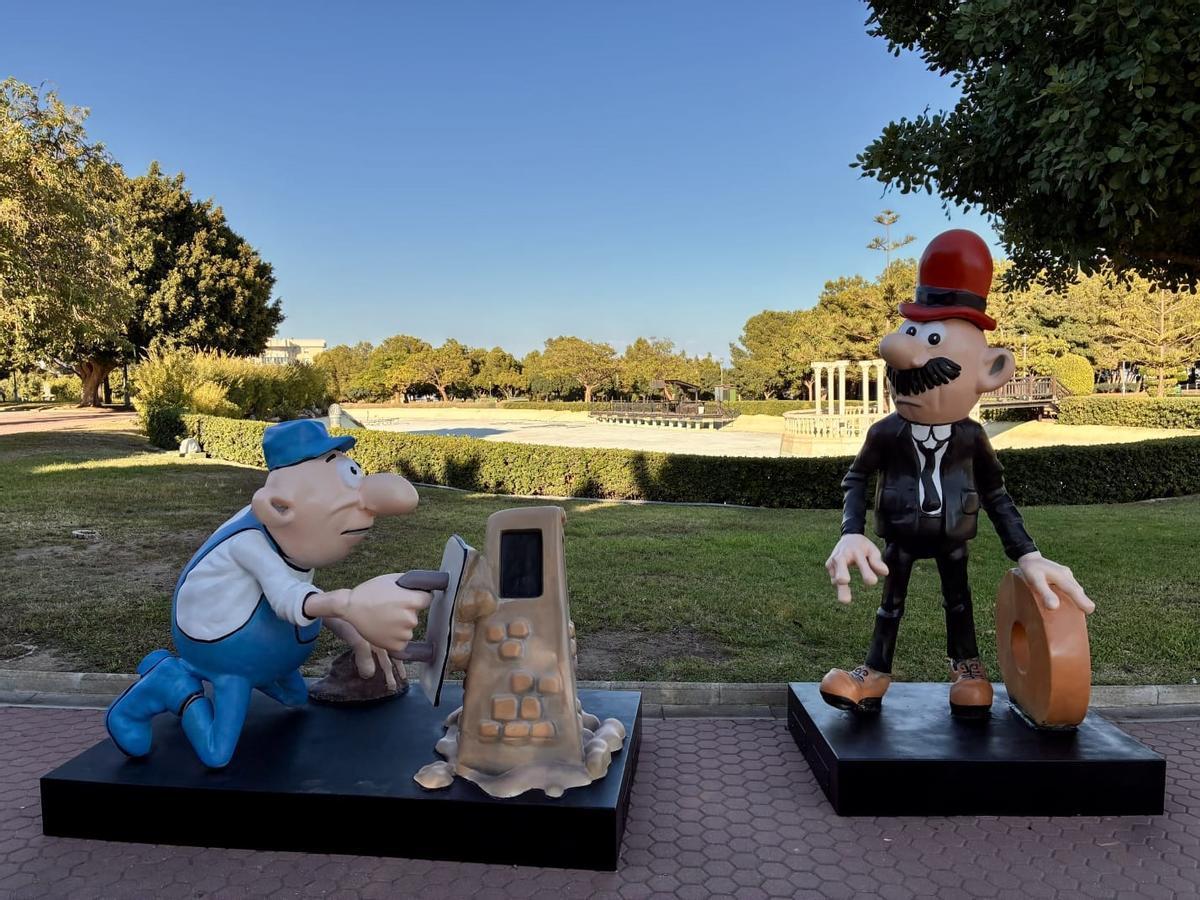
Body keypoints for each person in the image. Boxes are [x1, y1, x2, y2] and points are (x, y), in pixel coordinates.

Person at [821, 230, 1095, 718]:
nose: (903, 354)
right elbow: (857, 479)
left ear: (991, 371)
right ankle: (875, 673)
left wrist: (1027, 553)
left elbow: (995, 494)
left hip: (953, 537)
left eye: (930, 339)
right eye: (910, 334)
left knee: (958, 603)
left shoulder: (971, 437)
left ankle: (967, 667)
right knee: (890, 606)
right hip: (901, 537)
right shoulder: (886, 432)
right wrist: (850, 531)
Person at [106, 419, 431, 767]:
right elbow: (287, 597)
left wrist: (355, 632)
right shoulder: (250, 542)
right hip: (227, 654)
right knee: (217, 754)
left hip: (271, 655)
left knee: (295, 698)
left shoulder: (287, 532)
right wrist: (347, 604)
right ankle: (173, 685)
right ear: (279, 507)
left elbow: (301, 588)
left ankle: (166, 666)